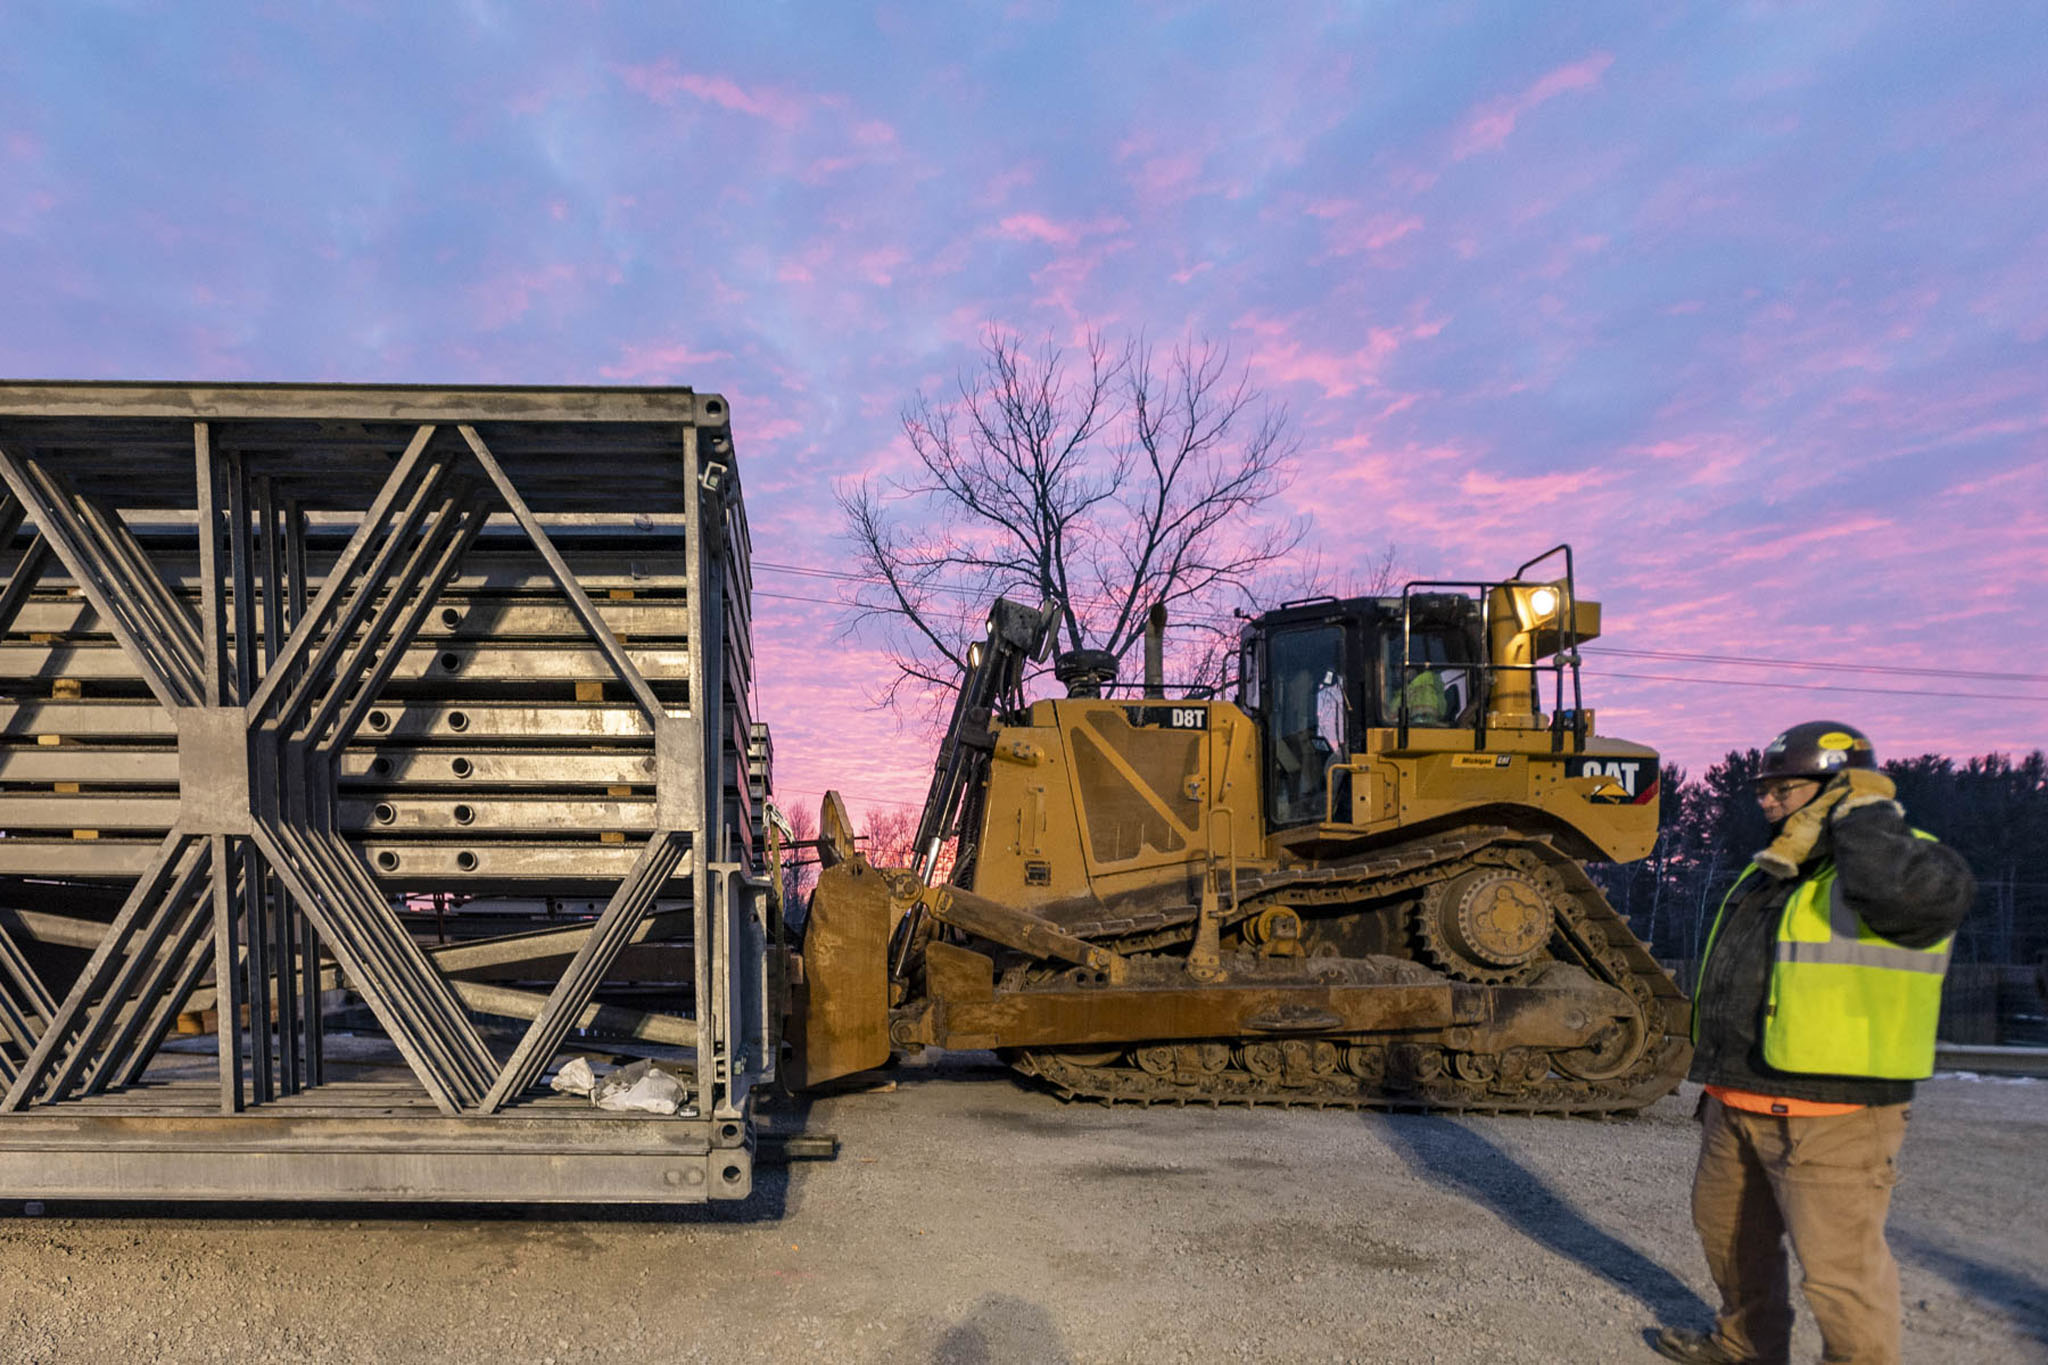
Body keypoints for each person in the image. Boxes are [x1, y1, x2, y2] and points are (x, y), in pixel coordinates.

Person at [1654, 721, 1974, 1365]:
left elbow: (1901, 901)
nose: (1767, 802)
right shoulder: (1780, 869)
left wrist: (1866, 816)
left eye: (1784, 789)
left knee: (1840, 1276)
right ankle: (1746, 1347)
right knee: (1730, 1242)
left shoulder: (1910, 865)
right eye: (1763, 790)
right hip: (1739, 1097)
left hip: (1834, 1112)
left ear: (1843, 789)